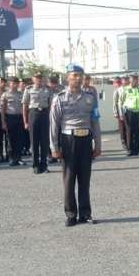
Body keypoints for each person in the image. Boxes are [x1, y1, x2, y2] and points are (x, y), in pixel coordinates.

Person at [50, 64, 102, 226]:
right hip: (68, 140)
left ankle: (85, 214)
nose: (78, 78)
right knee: (69, 179)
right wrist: (54, 147)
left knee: (85, 179)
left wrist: (98, 144)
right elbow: (54, 124)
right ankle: (71, 214)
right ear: (67, 77)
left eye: (80, 75)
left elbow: (95, 122)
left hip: (85, 140)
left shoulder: (90, 97)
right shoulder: (59, 98)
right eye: (74, 75)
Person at [22, 72, 52, 173]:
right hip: (33, 114)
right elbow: (25, 106)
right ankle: (35, 165)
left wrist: (51, 119)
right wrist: (25, 121)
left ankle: (44, 165)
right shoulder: (28, 89)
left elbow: (51, 105)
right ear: (33, 79)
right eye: (37, 78)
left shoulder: (48, 89)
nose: (39, 80)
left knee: (45, 141)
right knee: (34, 141)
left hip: (44, 114)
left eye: (40, 78)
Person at [0, 77, 25, 167]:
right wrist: (3, 122)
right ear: (9, 84)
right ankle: (11, 158)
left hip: (20, 118)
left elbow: (24, 107)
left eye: (16, 83)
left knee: (20, 139)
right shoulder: (5, 95)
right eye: (12, 83)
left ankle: (18, 158)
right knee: (10, 139)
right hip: (10, 118)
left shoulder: (21, 94)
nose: (14, 84)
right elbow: (2, 110)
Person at [121, 72, 139, 156]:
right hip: (129, 111)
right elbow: (121, 101)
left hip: (138, 111)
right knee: (130, 131)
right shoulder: (125, 89)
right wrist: (121, 113)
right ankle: (130, 150)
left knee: (138, 131)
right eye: (132, 78)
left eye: (136, 78)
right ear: (130, 79)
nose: (134, 80)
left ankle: (138, 150)